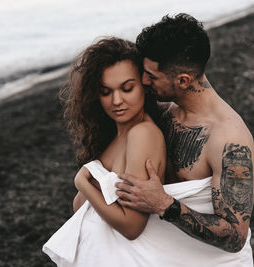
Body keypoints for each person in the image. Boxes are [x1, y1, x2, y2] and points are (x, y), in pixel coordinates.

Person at [115, 13, 254, 257]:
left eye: (151, 76)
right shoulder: (165, 110)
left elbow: (236, 237)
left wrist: (163, 204)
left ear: (182, 80)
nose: (143, 80)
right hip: (162, 253)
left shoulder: (229, 139)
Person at [43, 37, 168, 266]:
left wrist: (82, 182)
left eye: (127, 88)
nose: (117, 100)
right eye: (105, 91)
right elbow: (82, 208)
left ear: (144, 86)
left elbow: (132, 226)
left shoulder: (143, 135)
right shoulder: (115, 135)